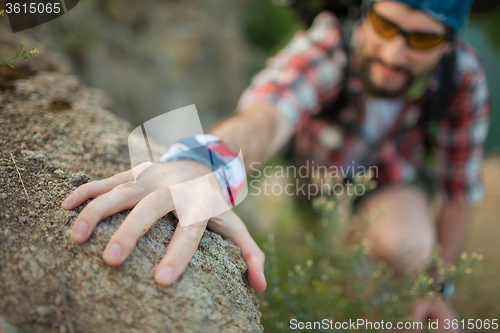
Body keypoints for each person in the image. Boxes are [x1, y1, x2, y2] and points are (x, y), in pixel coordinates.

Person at [61, 0, 490, 330]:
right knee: (312, 238)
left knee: (408, 248)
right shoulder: (328, 46)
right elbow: (264, 119)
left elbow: (458, 191)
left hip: (389, 177)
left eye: (422, 39)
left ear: (450, 41)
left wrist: (437, 287)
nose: (395, 54)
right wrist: (200, 162)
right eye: (385, 26)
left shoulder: (463, 78)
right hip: (312, 173)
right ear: (365, 10)